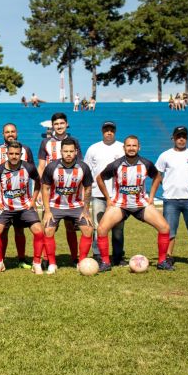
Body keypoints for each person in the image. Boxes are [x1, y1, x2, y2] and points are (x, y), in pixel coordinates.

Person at [96, 135, 172, 271]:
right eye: (128, 145)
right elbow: (99, 178)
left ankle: (162, 262)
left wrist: (152, 197)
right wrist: (108, 198)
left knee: (165, 227)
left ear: (139, 147)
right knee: (101, 229)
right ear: (123, 147)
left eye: (134, 146)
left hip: (141, 205)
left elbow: (157, 177)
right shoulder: (116, 164)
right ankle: (106, 263)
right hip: (120, 205)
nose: (131, 148)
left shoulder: (146, 164)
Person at [155, 126, 188, 266]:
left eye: (184, 136)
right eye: (178, 136)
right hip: (171, 199)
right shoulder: (165, 155)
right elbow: (157, 174)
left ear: (187, 138)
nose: (181, 139)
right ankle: (168, 256)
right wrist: (164, 185)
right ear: (173, 138)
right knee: (169, 230)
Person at [40, 138, 94, 274]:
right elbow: (45, 188)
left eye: (71, 151)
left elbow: (88, 188)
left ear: (76, 152)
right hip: (55, 205)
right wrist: (47, 211)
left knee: (88, 229)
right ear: (61, 152)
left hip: (76, 206)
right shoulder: (51, 167)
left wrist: (86, 210)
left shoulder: (83, 167)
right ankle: (52, 263)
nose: (68, 154)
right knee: (48, 230)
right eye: (66, 151)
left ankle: (81, 262)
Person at [0, 141, 44, 274]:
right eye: (11, 153)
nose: (14, 156)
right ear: (7, 154)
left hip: (25, 207)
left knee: (39, 231)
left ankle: (36, 263)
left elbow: (38, 182)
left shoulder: (28, 168)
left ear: (21, 154)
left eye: (17, 154)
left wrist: (33, 200)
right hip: (6, 208)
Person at [0, 123, 35, 268]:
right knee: (2, 230)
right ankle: (1, 260)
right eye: (7, 132)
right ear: (3, 134)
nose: (10, 134)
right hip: (4, 200)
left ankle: (21, 259)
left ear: (17, 133)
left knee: (20, 230)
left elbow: (31, 170)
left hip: (22, 199)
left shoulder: (25, 150)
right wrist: (1, 167)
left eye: (12, 131)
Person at [38, 112, 83, 264]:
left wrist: (80, 191)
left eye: (61, 123)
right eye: (56, 124)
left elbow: (80, 167)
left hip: (70, 191)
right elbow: (42, 166)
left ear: (66, 124)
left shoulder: (74, 141)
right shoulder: (45, 143)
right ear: (52, 126)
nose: (59, 126)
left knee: (70, 226)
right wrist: (38, 189)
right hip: (50, 191)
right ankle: (46, 259)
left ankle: (74, 257)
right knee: (48, 225)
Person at [84, 121, 126, 265]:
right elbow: (87, 172)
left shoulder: (122, 147)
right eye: (106, 130)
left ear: (115, 131)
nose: (109, 132)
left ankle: (118, 256)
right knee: (98, 225)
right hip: (98, 193)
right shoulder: (93, 149)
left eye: (111, 130)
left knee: (118, 227)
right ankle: (98, 254)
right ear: (102, 131)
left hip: (117, 195)